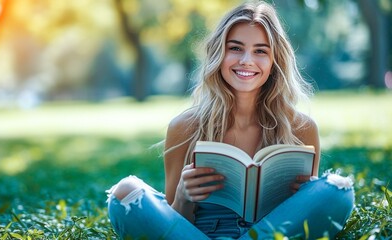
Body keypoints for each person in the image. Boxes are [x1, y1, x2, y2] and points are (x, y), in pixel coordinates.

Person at [106, 1, 354, 239]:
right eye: (235, 48)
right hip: (200, 233)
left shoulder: (301, 128)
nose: (246, 60)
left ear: (274, 62)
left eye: (260, 51)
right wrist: (183, 197)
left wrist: (303, 195)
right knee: (125, 194)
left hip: (270, 231)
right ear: (219, 54)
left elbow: (303, 212)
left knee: (337, 189)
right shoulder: (185, 127)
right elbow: (175, 221)